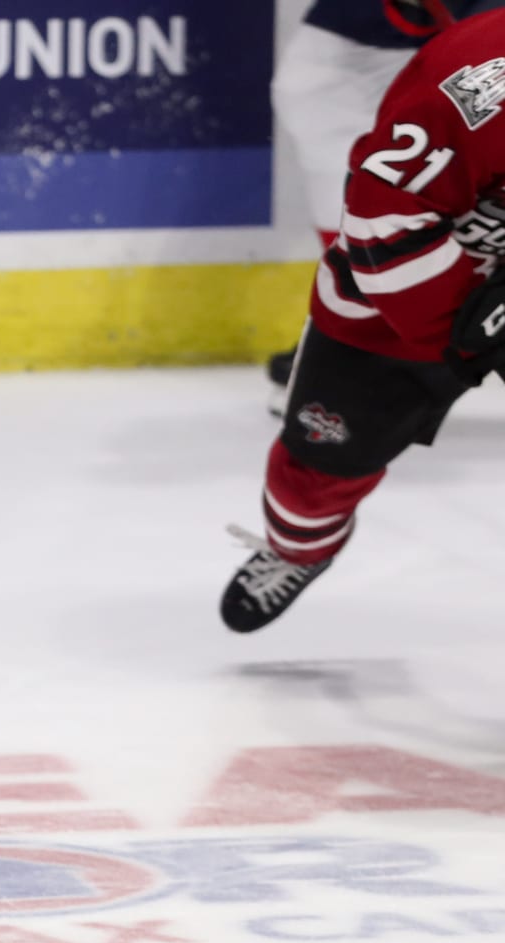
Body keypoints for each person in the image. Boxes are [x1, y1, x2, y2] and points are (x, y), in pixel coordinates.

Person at [222, 1, 505, 632]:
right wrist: (463, 335)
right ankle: (299, 547)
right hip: (396, 309)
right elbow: (385, 215)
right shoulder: (477, 80)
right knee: (317, 472)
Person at [262, 0, 499, 404]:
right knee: (320, 99)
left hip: (436, 45)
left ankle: (369, 341)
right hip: (367, 49)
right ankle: (361, 337)